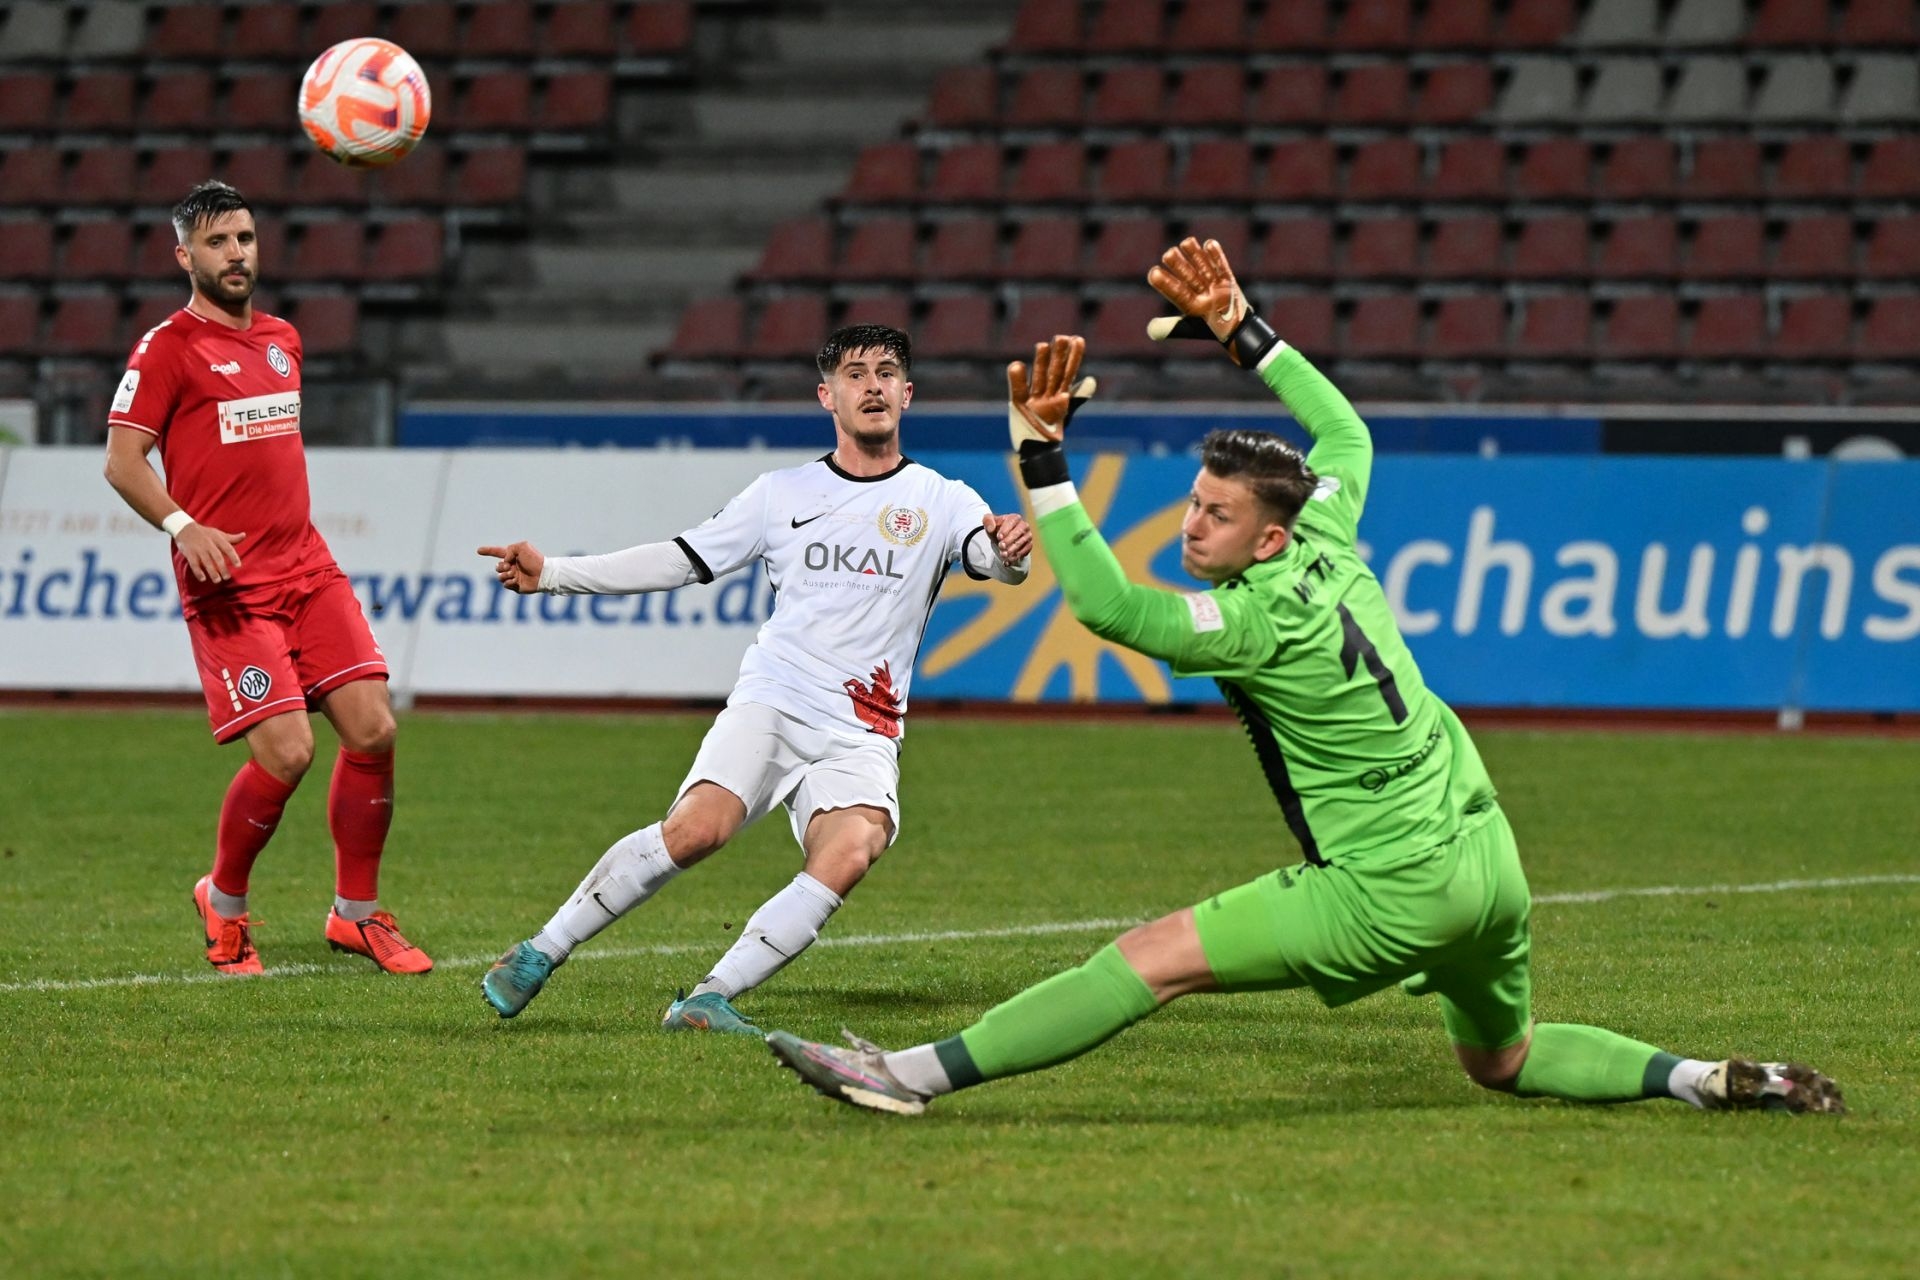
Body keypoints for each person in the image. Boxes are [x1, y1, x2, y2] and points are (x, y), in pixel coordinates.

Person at [765, 239, 1845, 1117]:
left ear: (1268, 539)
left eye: (1216, 516)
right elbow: (1345, 430)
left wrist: (1042, 460)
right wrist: (1246, 330)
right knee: (1502, 1058)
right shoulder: (1329, 523)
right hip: (1486, 858)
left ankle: (906, 1075)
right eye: (1190, 502)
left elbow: (1105, 605)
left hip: (1391, 887)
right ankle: (1699, 1076)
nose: (1190, 525)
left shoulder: (1251, 621)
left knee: (1154, 956)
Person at [478, 324, 1035, 1033]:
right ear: (826, 396)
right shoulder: (781, 494)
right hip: (776, 700)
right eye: (856, 373)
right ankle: (538, 952)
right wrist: (554, 574)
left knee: (853, 848)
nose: (873, 385)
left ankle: (708, 998)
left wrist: (1011, 548)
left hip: (863, 728)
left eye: (887, 372)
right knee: (697, 832)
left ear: (907, 393)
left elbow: (996, 559)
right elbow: (680, 558)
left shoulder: (941, 497)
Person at [102, 180, 431, 977]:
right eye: (217, 243)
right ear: (185, 256)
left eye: (245, 238)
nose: (236, 253)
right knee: (287, 752)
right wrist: (186, 527)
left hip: (307, 569)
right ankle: (224, 902)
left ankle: (356, 915)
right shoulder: (166, 349)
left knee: (374, 730)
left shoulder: (284, 337)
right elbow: (121, 462)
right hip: (229, 588)